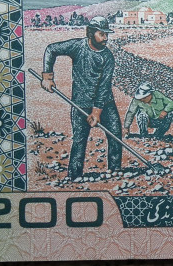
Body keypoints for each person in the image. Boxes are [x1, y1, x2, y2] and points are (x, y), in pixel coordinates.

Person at [40, 16, 122, 181]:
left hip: (105, 103)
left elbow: (104, 87)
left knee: (115, 135)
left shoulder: (107, 57)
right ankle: (74, 175)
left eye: (106, 34)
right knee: (79, 139)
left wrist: (96, 112)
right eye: (101, 34)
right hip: (80, 103)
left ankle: (115, 170)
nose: (105, 38)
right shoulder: (77, 46)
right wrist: (47, 77)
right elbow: (51, 49)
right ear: (91, 33)